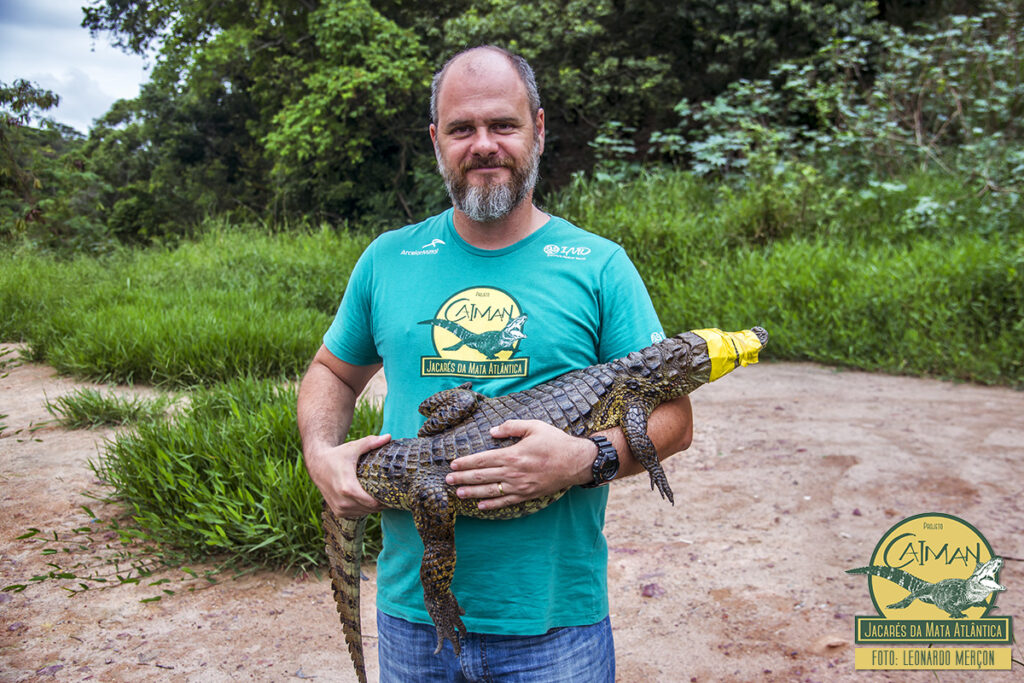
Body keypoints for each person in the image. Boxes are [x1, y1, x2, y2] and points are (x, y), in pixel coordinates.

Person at [297, 45, 694, 682]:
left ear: (538, 128)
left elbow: (674, 420)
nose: (484, 145)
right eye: (462, 129)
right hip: (414, 617)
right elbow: (333, 372)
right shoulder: (387, 258)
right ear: (437, 140)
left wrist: (583, 459)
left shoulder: (600, 265)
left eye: (503, 125)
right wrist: (321, 454)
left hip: (554, 623)